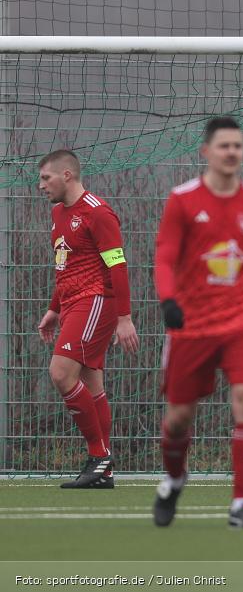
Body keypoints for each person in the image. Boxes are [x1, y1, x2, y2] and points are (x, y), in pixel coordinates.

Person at [152, 116, 243, 529]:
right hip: (192, 324)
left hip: (242, 322)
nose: (232, 153)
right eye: (224, 146)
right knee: (178, 418)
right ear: (205, 152)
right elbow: (165, 255)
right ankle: (174, 478)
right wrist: (168, 299)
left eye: (238, 146)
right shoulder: (183, 199)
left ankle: (240, 504)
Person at [37, 150, 138, 489]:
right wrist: (54, 308)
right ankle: (103, 471)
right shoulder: (57, 214)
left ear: (67, 175)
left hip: (96, 302)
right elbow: (66, 265)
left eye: (45, 178)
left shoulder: (98, 213)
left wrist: (124, 318)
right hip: (73, 305)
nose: (41, 185)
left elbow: (117, 266)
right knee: (92, 384)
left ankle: (99, 457)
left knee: (60, 373)